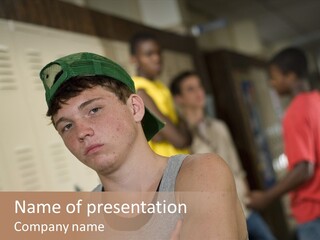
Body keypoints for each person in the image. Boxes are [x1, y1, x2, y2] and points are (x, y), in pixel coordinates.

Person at [39, 52, 247, 239]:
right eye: (66, 126)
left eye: (94, 110)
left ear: (135, 108)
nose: (81, 131)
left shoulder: (201, 174)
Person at [170, 71, 276, 240]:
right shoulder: (181, 138)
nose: (199, 93)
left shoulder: (219, 126)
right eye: (190, 89)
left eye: (200, 87)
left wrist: (246, 194)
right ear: (179, 99)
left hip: (244, 207)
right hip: (217, 217)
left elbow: (236, 166)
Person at [248, 47, 320, 240]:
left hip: (313, 212)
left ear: (290, 76)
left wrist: (266, 198)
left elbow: (304, 168)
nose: (272, 84)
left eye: (274, 77)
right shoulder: (316, 101)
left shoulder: (296, 112)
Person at [130, 32, 191, 156]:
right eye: (149, 54)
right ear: (134, 59)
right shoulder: (139, 90)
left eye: (158, 53)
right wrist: (178, 127)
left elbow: (178, 132)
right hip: (166, 165)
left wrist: (173, 129)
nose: (157, 58)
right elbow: (180, 140)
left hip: (180, 159)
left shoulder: (160, 86)